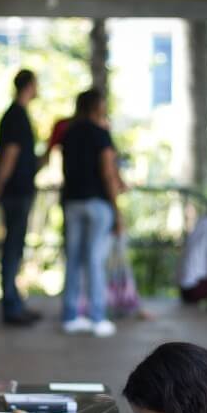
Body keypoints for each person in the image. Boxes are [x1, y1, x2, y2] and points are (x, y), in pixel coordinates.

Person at [60, 88, 126, 337]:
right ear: (98, 106)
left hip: (72, 201)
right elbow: (108, 172)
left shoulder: (69, 132)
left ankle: (70, 315)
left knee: (74, 259)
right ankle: (97, 316)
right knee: (95, 260)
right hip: (98, 203)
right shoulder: (101, 134)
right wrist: (116, 209)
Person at [0, 69, 43, 327]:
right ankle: (11, 305)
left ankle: (15, 301)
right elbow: (10, 154)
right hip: (15, 193)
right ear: (29, 86)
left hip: (20, 190)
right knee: (12, 248)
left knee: (15, 247)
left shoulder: (18, 115)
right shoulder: (16, 117)